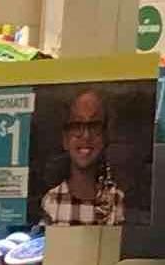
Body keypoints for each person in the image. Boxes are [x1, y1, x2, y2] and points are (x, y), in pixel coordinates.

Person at [42, 86, 128, 225]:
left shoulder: (116, 199)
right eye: (76, 125)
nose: (86, 135)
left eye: (94, 126)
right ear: (65, 139)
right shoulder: (51, 201)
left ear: (106, 136)